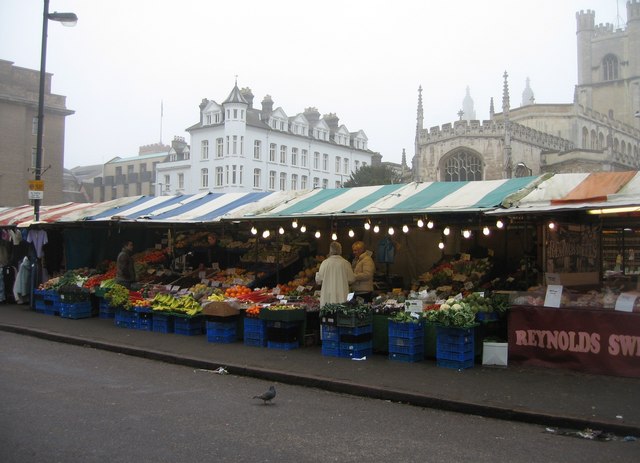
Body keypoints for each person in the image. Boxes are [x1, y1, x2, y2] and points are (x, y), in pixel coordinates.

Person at [315, 241, 355, 308]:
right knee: (341, 315)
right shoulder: (345, 263)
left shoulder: (324, 263)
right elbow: (351, 279)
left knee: (329, 315)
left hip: (327, 297)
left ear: (330, 250)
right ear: (340, 250)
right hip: (342, 296)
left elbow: (318, 280)